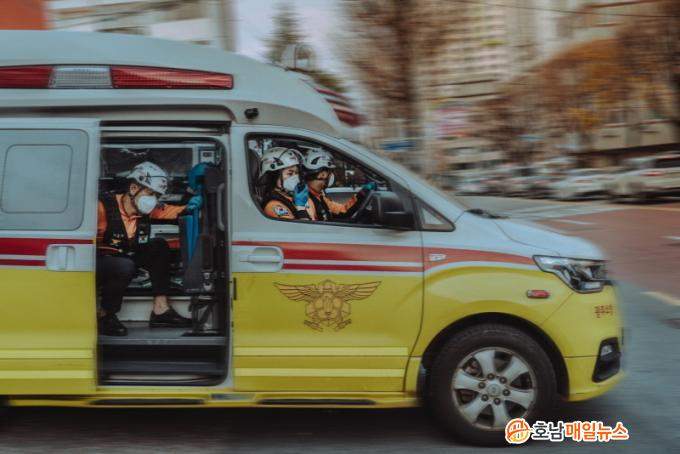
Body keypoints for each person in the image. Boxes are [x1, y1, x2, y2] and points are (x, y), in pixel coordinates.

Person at [96, 161, 202, 336]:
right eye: (150, 193)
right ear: (133, 188)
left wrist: (192, 205)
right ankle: (105, 315)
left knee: (158, 246)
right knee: (124, 265)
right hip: (97, 264)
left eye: (157, 195)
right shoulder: (101, 209)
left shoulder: (147, 210)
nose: (153, 199)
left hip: (124, 256)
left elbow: (172, 211)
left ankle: (161, 310)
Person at [301, 147, 376, 222]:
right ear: (322, 174)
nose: (331, 176)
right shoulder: (307, 201)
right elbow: (312, 227)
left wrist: (362, 194)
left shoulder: (318, 196)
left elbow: (342, 211)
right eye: (329, 172)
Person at [259, 147, 315, 220]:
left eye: (296, 173)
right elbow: (303, 227)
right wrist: (301, 208)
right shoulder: (274, 206)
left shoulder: (293, 198)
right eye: (290, 173)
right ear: (274, 176)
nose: (295, 177)